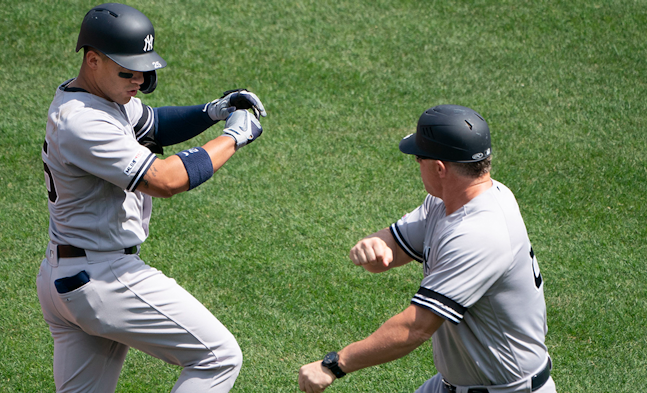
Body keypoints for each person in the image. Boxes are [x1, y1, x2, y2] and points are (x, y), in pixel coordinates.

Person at [36, 3, 267, 392]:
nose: (139, 80)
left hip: (68, 275)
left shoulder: (103, 99)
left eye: (144, 70)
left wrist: (213, 111)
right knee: (217, 357)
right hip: (103, 278)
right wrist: (233, 137)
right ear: (93, 60)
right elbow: (165, 179)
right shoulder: (83, 122)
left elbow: (154, 124)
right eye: (128, 70)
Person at [298, 105, 555, 393]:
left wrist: (334, 364)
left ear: (439, 168)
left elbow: (415, 328)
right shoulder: (449, 201)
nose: (416, 164)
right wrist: (377, 245)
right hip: (456, 385)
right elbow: (396, 246)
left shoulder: (480, 233)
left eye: (419, 158)